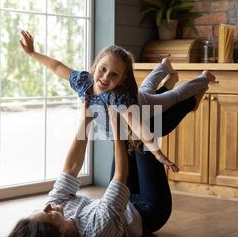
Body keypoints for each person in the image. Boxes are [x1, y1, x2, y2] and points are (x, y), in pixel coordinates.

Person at [19, 30, 215, 172]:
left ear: (122, 79)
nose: (105, 77)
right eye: (102, 69)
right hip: (138, 96)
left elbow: (138, 127)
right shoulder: (83, 81)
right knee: (146, 88)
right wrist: (32, 53)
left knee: (173, 97)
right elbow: (57, 67)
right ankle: (164, 66)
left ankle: (204, 77)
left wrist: (158, 153)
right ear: (95, 66)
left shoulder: (117, 97)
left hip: (143, 105)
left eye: (114, 74)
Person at [0, 102, 144, 237]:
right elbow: (121, 176)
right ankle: (172, 90)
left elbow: (70, 169)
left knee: (137, 118)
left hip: (122, 201)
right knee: (149, 125)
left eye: (41, 210)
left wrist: (87, 118)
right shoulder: (95, 232)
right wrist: (117, 129)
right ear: (59, 232)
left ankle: (166, 85)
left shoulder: (56, 206)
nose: (48, 206)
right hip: (146, 211)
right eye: (50, 215)